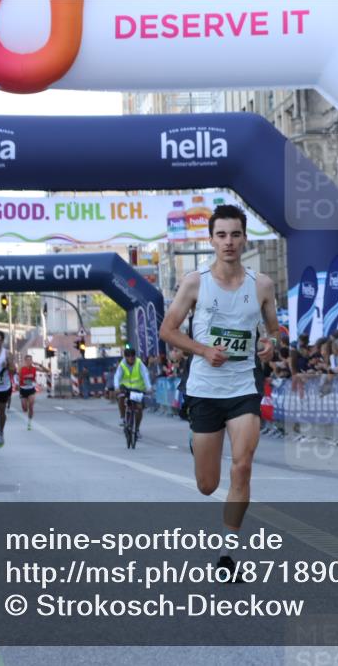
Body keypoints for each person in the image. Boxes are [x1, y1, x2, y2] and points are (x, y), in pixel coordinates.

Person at [158, 204, 280, 579]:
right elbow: (168, 330)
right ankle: (200, 443)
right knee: (208, 485)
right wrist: (203, 350)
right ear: (211, 240)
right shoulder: (196, 282)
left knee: (242, 467)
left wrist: (270, 343)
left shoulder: (262, 285)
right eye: (221, 235)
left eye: (235, 234)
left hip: (243, 385)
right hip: (205, 389)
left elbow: (273, 330)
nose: (229, 242)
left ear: (244, 238)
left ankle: (228, 554)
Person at [114, 345, 153, 441]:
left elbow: (145, 375)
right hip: (125, 388)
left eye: (133, 356)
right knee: (121, 398)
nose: (131, 358)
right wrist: (116, 387)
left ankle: (137, 429)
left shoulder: (139, 363)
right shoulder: (122, 364)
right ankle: (123, 418)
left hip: (137, 389)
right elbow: (117, 376)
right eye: (129, 357)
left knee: (139, 408)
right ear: (126, 357)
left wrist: (149, 387)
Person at [18, 354, 48, 430]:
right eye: (27, 360)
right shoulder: (22, 369)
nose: (29, 362)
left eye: (30, 360)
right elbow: (18, 377)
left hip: (31, 389)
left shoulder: (34, 368)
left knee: (31, 405)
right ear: (25, 361)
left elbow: (47, 371)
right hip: (23, 389)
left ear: (32, 361)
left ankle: (29, 422)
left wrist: (40, 365)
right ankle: (27, 408)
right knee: (25, 409)